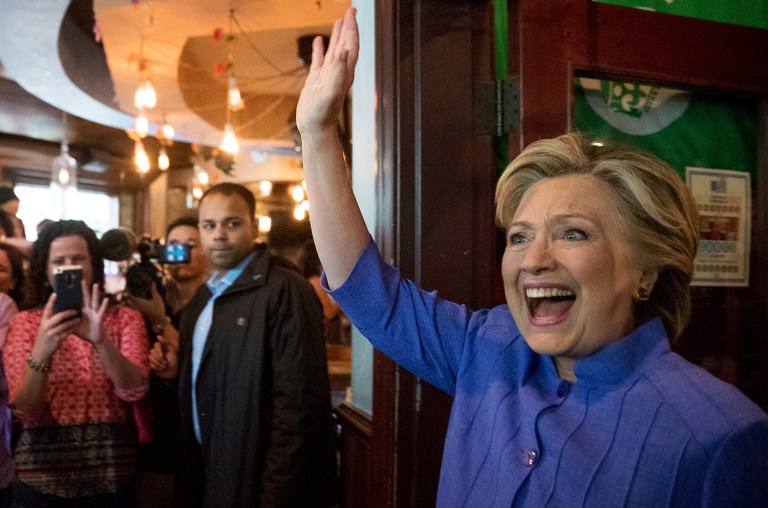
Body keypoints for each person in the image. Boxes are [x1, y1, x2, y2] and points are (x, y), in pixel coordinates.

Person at [296, 8, 768, 506]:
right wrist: (318, 131)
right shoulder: (488, 348)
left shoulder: (719, 437)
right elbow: (369, 294)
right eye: (519, 237)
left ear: (647, 270)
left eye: (573, 233)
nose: (533, 259)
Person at [152, 183, 338, 507]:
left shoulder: (286, 289)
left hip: (259, 482)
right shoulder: (203, 299)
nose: (219, 234)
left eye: (232, 223)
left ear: (253, 226)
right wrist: (176, 372)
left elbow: (298, 409)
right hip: (210, 474)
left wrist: (275, 497)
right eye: (209, 226)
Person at [3, 220, 150, 506]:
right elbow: (24, 410)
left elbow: (134, 390)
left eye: (79, 258)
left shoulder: (124, 319)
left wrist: (101, 341)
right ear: (45, 271)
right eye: (59, 261)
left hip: (113, 481)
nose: (70, 267)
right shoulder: (25, 323)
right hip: (42, 483)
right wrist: (43, 350)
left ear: (93, 264)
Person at [121, 216, 209, 508]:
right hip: (153, 430)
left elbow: (205, 363)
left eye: (190, 245)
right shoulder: (151, 293)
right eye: (173, 245)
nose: (179, 252)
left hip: (196, 434)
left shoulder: (216, 303)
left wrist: (160, 320)